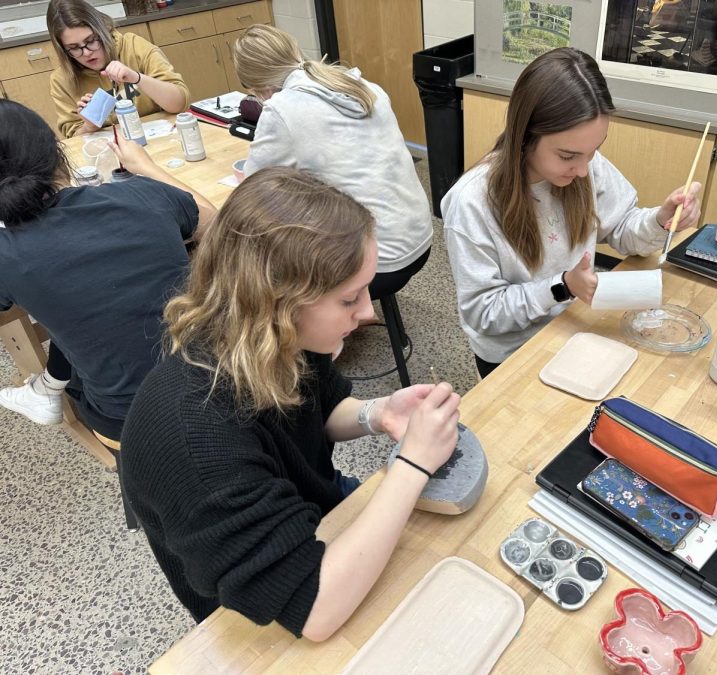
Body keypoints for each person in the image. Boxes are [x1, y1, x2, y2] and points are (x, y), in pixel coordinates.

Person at [120, 167, 461, 641]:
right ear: (277, 301)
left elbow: (321, 414)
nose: (368, 313)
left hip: (310, 522)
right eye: (349, 299)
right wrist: (413, 463)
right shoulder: (192, 438)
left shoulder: (279, 339)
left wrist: (376, 412)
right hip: (259, 609)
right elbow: (312, 608)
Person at [441, 48, 702, 378]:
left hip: (576, 325)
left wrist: (660, 220)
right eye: (567, 156)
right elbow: (483, 312)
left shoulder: (586, 166)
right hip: (513, 353)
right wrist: (562, 286)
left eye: (594, 150)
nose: (582, 170)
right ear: (525, 137)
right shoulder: (472, 202)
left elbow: (622, 228)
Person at [0, 99, 215, 439]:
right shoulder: (143, 195)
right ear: (57, 153)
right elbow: (215, 224)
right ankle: (45, 389)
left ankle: (46, 389)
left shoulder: (8, 254)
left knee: (68, 302)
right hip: (219, 380)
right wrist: (147, 167)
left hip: (129, 418)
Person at [233, 24, 432, 300]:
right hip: (420, 240)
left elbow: (252, 191)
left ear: (259, 87)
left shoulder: (282, 110)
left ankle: (309, 338)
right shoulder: (361, 85)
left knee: (263, 252)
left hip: (378, 265)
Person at [47, 0, 189, 137]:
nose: (87, 52)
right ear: (63, 50)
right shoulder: (61, 80)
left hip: (160, 137)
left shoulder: (134, 46)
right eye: (74, 48)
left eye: (90, 41)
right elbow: (74, 140)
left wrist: (137, 78)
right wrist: (89, 127)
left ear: (102, 30)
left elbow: (179, 104)